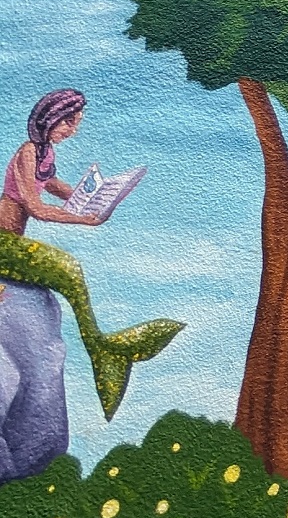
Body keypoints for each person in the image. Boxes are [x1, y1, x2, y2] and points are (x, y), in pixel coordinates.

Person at [0, 89, 182, 421]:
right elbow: (35, 207)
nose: (73, 130)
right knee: (68, 268)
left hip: (12, 241)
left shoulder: (45, 153)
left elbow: (52, 184)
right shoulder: (27, 152)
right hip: (2, 242)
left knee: (70, 271)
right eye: (68, 122)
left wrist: (90, 196)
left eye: (76, 123)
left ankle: (102, 346)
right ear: (49, 119)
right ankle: (101, 347)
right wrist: (81, 219)